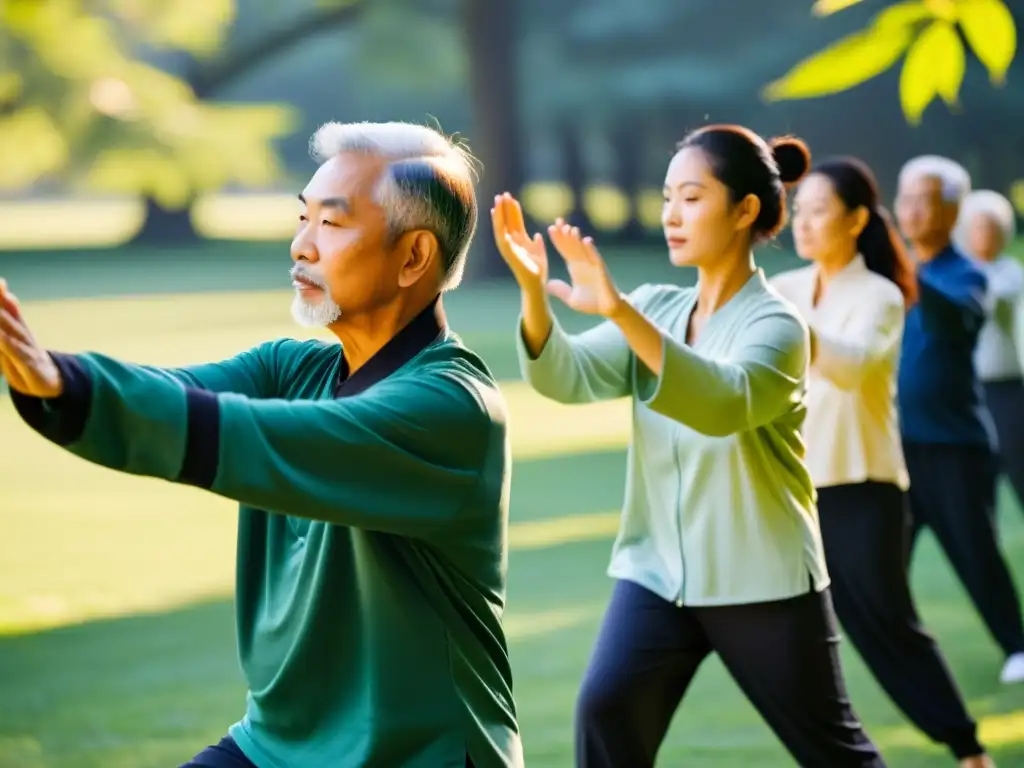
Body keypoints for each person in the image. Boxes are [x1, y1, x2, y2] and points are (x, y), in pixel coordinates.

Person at [0, 121, 523, 768]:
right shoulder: (290, 370)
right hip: (274, 744)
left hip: (417, 755)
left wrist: (73, 385)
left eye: (331, 225)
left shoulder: (451, 409)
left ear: (414, 256)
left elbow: (250, 436)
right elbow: (170, 394)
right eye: (303, 219)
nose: (302, 247)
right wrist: (49, 378)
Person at [493, 125, 885, 767]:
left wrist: (619, 312)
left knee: (834, 753)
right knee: (606, 714)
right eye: (668, 196)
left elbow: (722, 403)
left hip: (761, 578)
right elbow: (567, 376)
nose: (672, 214)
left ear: (746, 210)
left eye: (692, 197)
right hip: (655, 572)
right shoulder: (657, 308)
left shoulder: (779, 325)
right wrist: (535, 294)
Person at [772, 156, 993, 767]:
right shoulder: (783, 288)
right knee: (796, 637)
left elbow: (851, 367)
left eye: (820, 211)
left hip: (863, 488)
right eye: (800, 211)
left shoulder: (883, 294)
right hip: (792, 488)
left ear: (857, 220)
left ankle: (968, 749)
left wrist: (787, 323)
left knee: (886, 627)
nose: (805, 223)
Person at [894, 155, 1024, 686]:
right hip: (896, 445)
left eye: (928, 201)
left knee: (976, 554)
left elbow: (954, 317)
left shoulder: (967, 272)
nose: (915, 212)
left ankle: (1016, 645)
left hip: (955, 445)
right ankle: (900, 655)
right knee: (877, 564)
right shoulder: (891, 277)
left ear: (952, 211)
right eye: (907, 200)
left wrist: (906, 274)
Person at [954, 190, 1024, 523]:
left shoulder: (1009, 272)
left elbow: (991, 300)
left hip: (1007, 390)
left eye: (993, 226)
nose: (986, 233)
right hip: (971, 391)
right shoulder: (960, 275)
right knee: (981, 484)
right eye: (979, 226)